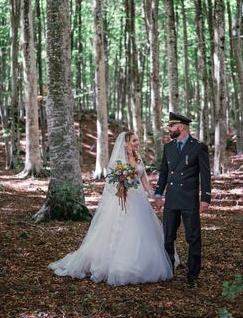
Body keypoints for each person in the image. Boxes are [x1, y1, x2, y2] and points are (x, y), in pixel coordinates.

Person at [49, 132, 174, 285]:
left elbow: (145, 181)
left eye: (137, 140)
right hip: (123, 201)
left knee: (143, 230)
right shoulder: (118, 160)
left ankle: (145, 263)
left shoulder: (138, 157)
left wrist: (154, 195)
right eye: (134, 140)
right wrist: (122, 185)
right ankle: (118, 265)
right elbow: (112, 183)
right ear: (126, 142)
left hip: (139, 200)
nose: (137, 143)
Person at [154, 112, 211, 289]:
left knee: (193, 237)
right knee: (168, 237)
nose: (169, 129)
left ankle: (193, 275)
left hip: (189, 199)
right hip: (171, 199)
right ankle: (168, 270)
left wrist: (205, 198)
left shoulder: (198, 147)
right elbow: (164, 172)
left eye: (171, 126)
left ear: (181, 127)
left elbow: (205, 174)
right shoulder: (169, 147)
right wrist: (158, 194)